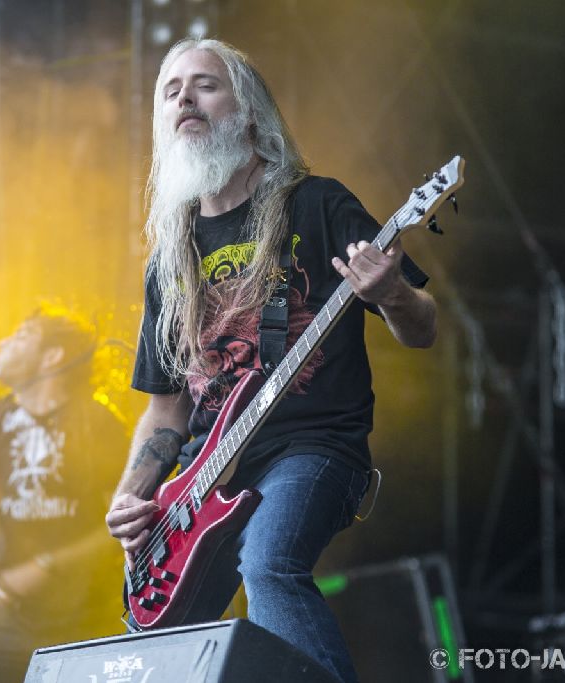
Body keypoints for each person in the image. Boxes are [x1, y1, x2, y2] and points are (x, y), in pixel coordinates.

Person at [104, 39, 437, 683]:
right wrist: (132, 494)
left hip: (312, 445)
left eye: (204, 84)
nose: (185, 99)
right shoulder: (169, 259)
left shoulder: (315, 204)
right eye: (171, 91)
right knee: (160, 640)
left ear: (248, 110)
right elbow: (167, 408)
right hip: (204, 476)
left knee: (268, 565)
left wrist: (391, 292)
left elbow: (423, 327)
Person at [0, 305, 129, 682]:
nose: (2, 342)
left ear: (52, 356)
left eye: (20, 336)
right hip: (16, 627)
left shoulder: (97, 423)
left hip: (90, 624)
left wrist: (46, 566)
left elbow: (121, 531)